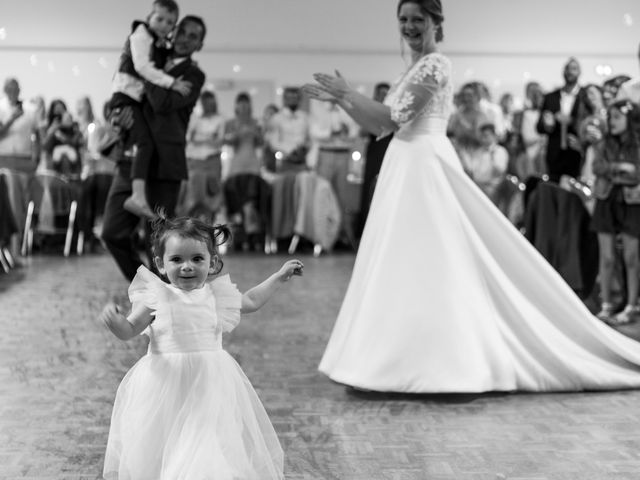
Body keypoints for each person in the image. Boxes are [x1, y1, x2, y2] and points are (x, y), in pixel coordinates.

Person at [304, 0, 640, 393]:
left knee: (432, 259)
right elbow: (378, 127)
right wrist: (344, 101)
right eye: (403, 20)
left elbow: (393, 118)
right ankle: (390, 357)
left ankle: (443, 361)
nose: (409, 26)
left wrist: (350, 93)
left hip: (424, 165)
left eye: (417, 19)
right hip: (404, 163)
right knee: (399, 258)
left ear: (435, 23)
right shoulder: (410, 69)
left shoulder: (435, 64)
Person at [99, 213, 303, 479]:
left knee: (205, 442)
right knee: (165, 443)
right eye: (177, 260)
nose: (187, 267)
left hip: (208, 386)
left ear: (213, 262)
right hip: (165, 386)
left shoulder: (216, 295)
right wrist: (114, 322)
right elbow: (129, 330)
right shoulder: (155, 296)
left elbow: (251, 300)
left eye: (197, 259)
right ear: (160, 264)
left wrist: (278, 277)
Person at [101, 15, 206, 282]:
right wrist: (117, 116)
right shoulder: (153, 55)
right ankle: (145, 286)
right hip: (131, 159)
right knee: (111, 233)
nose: (184, 38)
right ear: (173, 31)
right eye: (182, 31)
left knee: (157, 242)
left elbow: (161, 103)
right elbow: (121, 89)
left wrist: (141, 70)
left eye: (193, 36)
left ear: (199, 45)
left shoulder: (194, 75)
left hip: (164, 165)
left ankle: (161, 309)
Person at [109, 0, 192, 219]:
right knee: (143, 142)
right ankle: (137, 196)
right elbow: (142, 67)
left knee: (143, 142)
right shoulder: (141, 35)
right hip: (126, 98)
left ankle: (138, 195)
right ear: (149, 17)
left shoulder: (157, 43)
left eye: (170, 22)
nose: (164, 25)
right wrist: (171, 83)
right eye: (159, 19)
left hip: (132, 100)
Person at [591, 100, 640, 325]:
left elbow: (636, 174)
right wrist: (621, 168)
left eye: (617, 117)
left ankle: (631, 305)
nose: (612, 122)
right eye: (610, 117)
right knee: (607, 256)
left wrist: (616, 171)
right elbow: (597, 167)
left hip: (632, 202)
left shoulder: (637, 144)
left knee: (631, 257)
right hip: (606, 198)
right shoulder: (603, 143)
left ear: (629, 119)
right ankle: (606, 304)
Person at [536, 57, 587, 182]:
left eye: (574, 69)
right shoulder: (550, 97)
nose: (570, 72)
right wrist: (548, 125)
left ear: (579, 72)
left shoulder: (585, 96)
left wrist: (571, 121)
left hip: (577, 153)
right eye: (567, 69)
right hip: (554, 153)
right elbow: (539, 127)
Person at [357, 82, 393, 238]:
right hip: (375, 150)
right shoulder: (369, 110)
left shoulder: (392, 110)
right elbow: (362, 131)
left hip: (390, 149)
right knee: (370, 186)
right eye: (381, 93)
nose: (383, 96)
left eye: (386, 93)